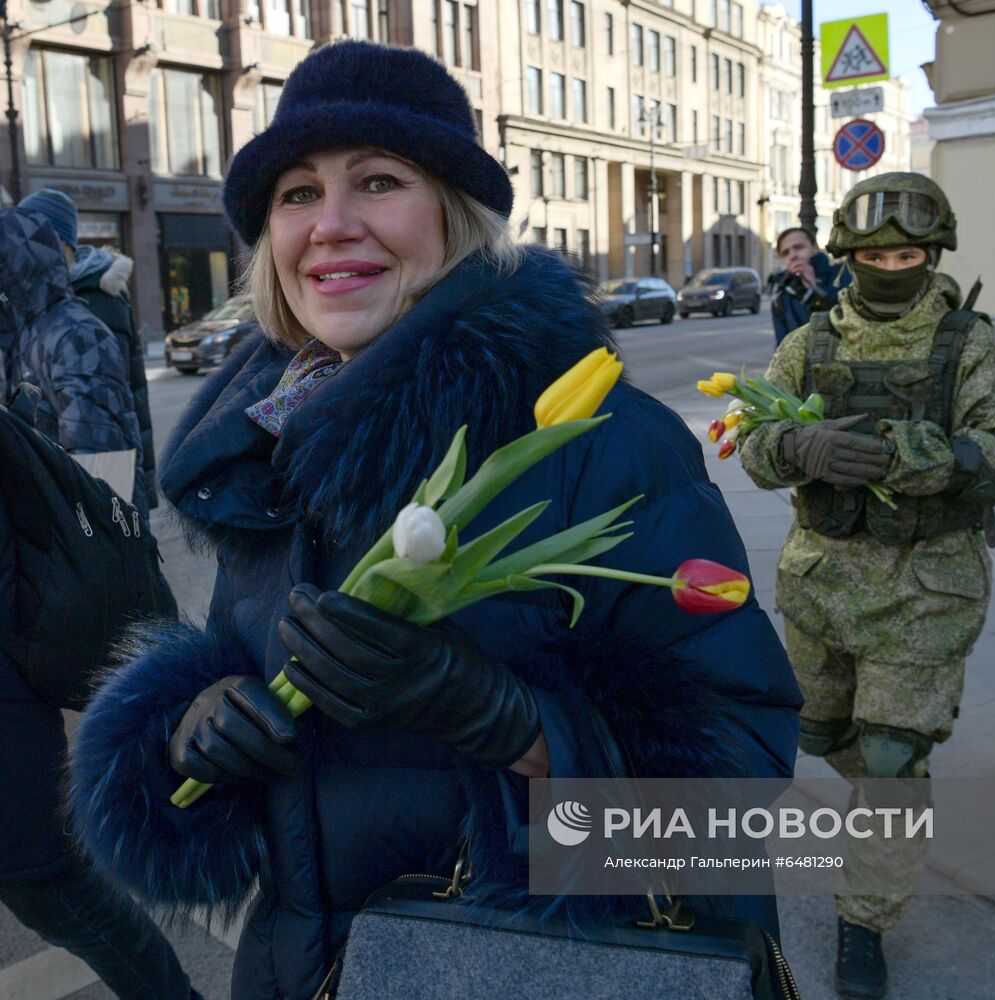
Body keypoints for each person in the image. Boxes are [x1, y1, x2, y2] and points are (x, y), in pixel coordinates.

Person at [68, 41, 802, 1000]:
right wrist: (186, 732)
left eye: (378, 182)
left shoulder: (598, 439)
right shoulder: (264, 445)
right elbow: (249, 804)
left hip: (524, 968)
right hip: (306, 969)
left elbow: (738, 798)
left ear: (458, 219)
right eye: (295, 194)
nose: (329, 225)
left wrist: (508, 723)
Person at [740, 173, 995, 999]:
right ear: (848, 256)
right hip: (822, 584)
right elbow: (750, 438)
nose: (891, 266)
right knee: (816, 731)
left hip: (926, 588)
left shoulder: (970, 343)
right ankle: (890, 797)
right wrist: (797, 450)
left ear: (931, 253)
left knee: (888, 756)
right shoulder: (808, 343)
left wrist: (908, 456)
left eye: (907, 253)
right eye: (874, 254)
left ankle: (864, 915)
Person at [0, 207, 199, 998]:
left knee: (142, 696)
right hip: (55, 552)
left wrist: (100, 551)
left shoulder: (67, 332)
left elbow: (106, 462)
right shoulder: (26, 335)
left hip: (81, 552)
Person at [18, 187, 158, 509]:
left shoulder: (95, 305)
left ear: (61, 244)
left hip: (88, 496)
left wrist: (97, 522)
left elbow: (103, 431)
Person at [769, 226, 851, 345]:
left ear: (815, 247)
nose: (792, 256)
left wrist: (813, 288)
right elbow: (782, 346)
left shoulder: (842, 274)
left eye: (798, 247)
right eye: (785, 253)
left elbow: (848, 320)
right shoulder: (781, 295)